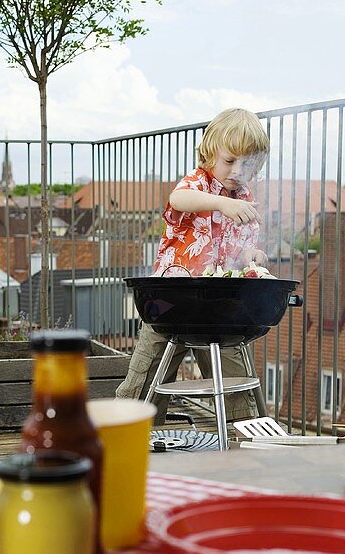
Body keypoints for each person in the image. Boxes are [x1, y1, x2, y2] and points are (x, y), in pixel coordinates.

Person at [116, 107, 271, 424]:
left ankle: (242, 432)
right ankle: (131, 431)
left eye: (248, 163)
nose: (238, 171)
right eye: (230, 160)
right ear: (211, 153)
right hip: (171, 301)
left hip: (219, 307)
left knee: (234, 378)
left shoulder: (243, 197)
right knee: (145, 377)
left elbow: (240, 250)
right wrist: (221, 203)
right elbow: (178, 200)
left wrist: (252, 257)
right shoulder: (198, 183)